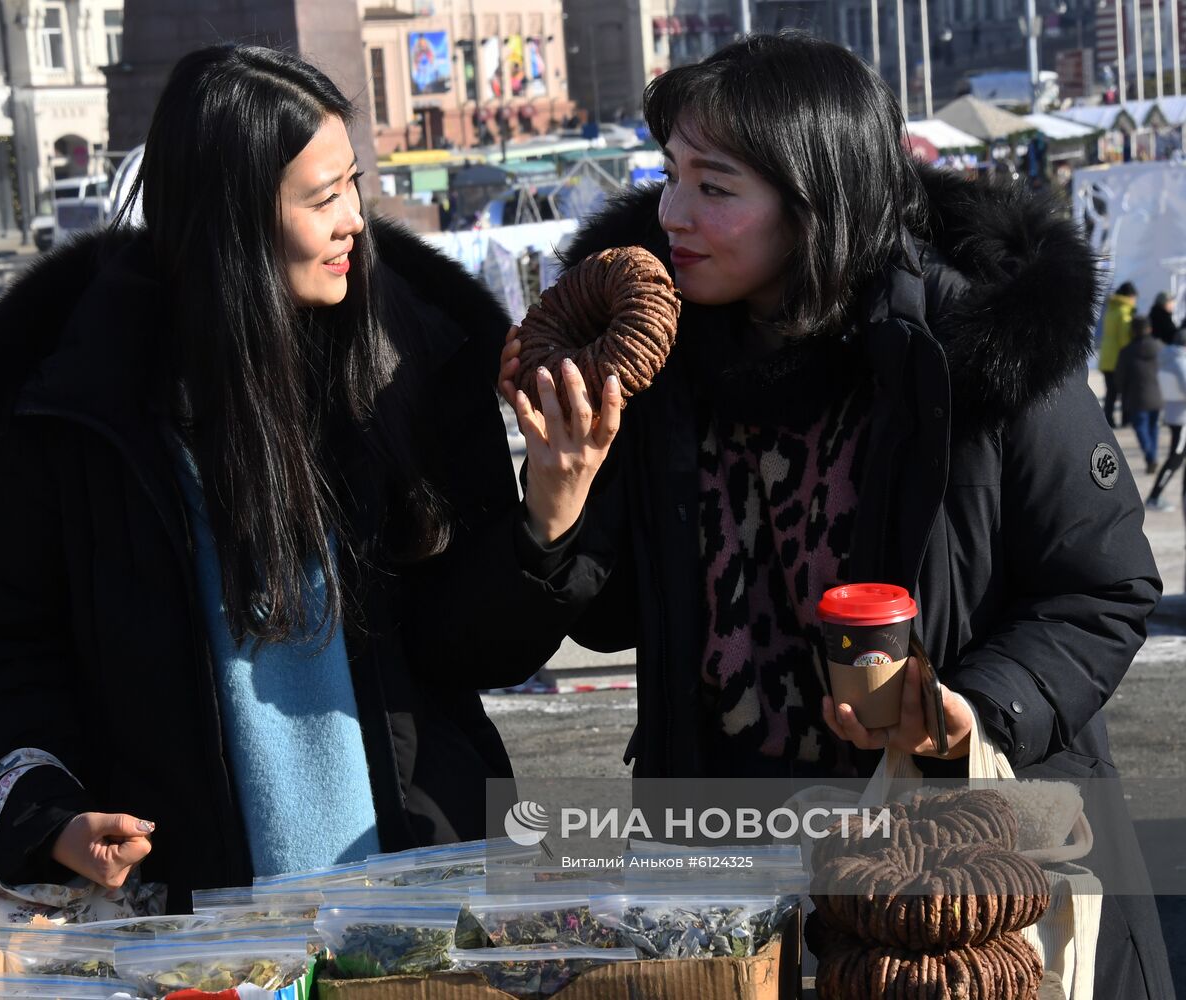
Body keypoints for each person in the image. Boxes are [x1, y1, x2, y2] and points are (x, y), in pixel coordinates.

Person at [499, 34, 1172, 997]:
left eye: (716, 187)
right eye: (671, 175)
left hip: (960, 883)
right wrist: (558, 502)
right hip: (739, 884)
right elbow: (614, 621)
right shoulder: (661, 359)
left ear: (813, 201)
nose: (674, 213)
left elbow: (1101, 584)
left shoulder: (969, 348)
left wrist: (975, 709)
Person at [0, 44, 565, 909]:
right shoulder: (69, 409)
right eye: (322, 198)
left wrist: (551, 506)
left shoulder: (411, 367)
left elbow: (475, 651)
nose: (354, 222)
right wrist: (51, 816)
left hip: (426, 892)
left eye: (353, 186)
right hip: (195, 921)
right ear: (233, 221)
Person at [1145, 326, 1186, 512]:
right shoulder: (1180, 361)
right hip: (1183, 418)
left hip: (1173, 413)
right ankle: (1154, 496)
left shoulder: (1166, 357)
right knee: (1175, 459)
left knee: (1176, 458)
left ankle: (1155, 495)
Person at [1118, 315, 1165, 473]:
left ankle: (1151, 456)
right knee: (1153, 427)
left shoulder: (1126, 351)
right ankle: (1153, 456)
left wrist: (1121, 393)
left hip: (1136, 396)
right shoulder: (1159, 347)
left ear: (1132, 331)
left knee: (1140, 428)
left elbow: (1120, 377)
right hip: (1157, 394)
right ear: (1149, 329)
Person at [1099, 280, 1138, 426]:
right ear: (1130, 296)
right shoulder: (1124, 312)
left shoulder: (1112, 310)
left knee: (1111, 392)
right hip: (1118, 359)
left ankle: (1108, 419)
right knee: (1125, 391)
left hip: (1107, 358)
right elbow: (1124, 340)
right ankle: (1126, 420)